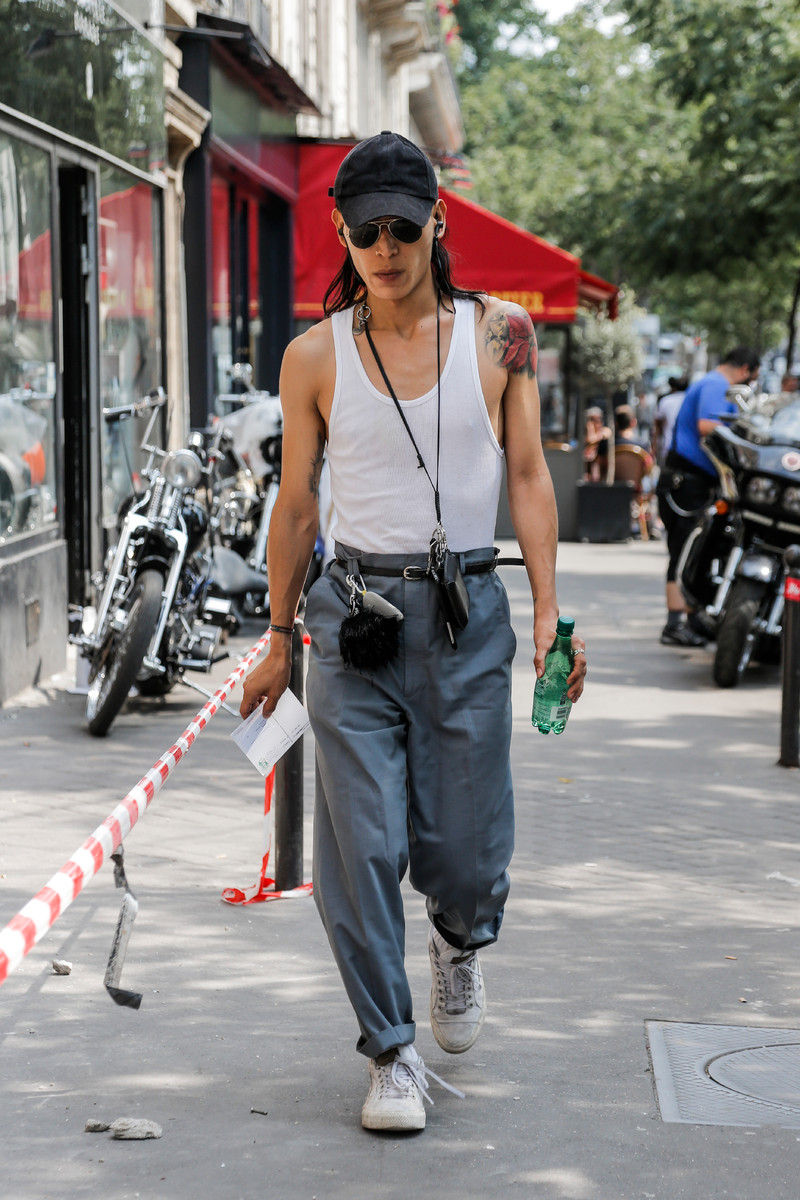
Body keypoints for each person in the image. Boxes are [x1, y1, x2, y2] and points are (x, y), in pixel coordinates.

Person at [239, 130, 587, 1134]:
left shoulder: (501, 335)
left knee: (467, 852)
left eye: (401, 227)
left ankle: (458, 940)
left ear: (436, 220)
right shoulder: (313, 355)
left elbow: (529, 477)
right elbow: (296, 504)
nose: (384, 249)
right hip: (351, 621)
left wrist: (550, 615)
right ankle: (389, 1052)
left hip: (465, 615)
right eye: (365, 233)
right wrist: (275, 639)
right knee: (359, 844)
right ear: (341, 234)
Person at [657, 346, 760, 647]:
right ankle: (674, 624)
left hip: (692, 481)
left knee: (694, 549)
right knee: (683, 550)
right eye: (753, 377)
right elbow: (707, 426)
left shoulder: (711, 383)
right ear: (746, 370)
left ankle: (690, 618)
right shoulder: (717, 385)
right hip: (687, 483)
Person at [652, 376, 688, 466]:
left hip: (668, 448)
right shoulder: (690, 400)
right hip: (689, 449)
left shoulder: (665, 401)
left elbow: (657, 427)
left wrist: (654, 447)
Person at [583, 406, 610, 480]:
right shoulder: (584, 435)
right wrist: (590, 429)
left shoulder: (605, 431)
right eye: (591, 420)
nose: (595, 423)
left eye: (598, 419)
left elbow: (592, 440)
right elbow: (589, 440)